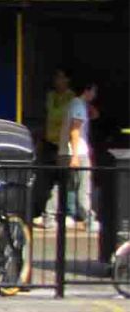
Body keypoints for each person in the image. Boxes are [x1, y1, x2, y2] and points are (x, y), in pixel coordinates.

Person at [34, 67, 75, 227]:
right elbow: (49, 116)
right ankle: (47, 212)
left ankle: (68, 213)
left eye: (61, 77)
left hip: (64, 144)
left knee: (65, 180)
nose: (58, 81)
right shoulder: (51, 96)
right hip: (49, 143)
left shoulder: (71, 98)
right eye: (56, 77)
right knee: (47, 180)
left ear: (67, 80)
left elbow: (60, 115)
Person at [58, 79, 98, 231]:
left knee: (66, 186)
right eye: (93, 91)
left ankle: (61, 214)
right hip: (77, 152)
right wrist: (75, 155)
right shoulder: (77, 106)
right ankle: (88, 219)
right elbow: (75, 130)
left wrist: (87, 104)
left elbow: (95, 114)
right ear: (87, 91)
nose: (94, 95)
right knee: (83, 187)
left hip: (66, 152)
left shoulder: (76, 104)